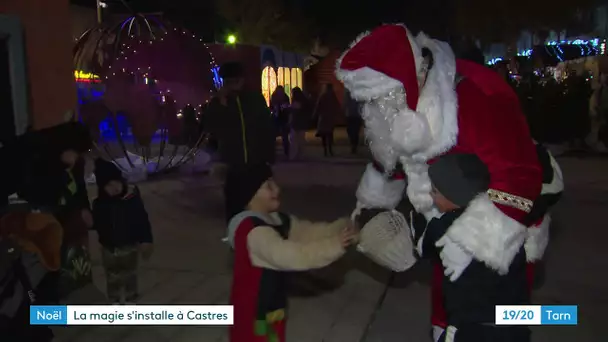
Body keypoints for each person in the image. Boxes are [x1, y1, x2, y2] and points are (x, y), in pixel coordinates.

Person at [336, 24, 562, 340]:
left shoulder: (475, 96)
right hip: (447, 224)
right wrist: (370, 212)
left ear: (401, 84)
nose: (371, 109)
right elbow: (391, 158)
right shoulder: (395, 110)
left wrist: (468, 240)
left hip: (501, 233)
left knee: (499, 317)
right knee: (450, 310)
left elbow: (519, 176)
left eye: (376, 98)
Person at [224, 163, 358, 342]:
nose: (277, 189)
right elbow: (291, 255)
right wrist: (335, 245)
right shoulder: (253, 232)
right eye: (268, 186)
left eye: (274, 183)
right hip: (253, 311)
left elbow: (307, 232)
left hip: (272, 304)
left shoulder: (276, 220)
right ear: (249, 197)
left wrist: (339, 228)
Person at [414, 153, 530, 342]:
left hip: (470, 331)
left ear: (453, 194)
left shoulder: (444, 227)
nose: (431, 197)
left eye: (435, 191)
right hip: (514, 327)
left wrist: (419, 221)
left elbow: (421, 246)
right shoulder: (507, 224)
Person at [204, 61, 276, 222]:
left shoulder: (254, 99)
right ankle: (237, 238)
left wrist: (269, 157)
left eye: (236, 80)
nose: (234, 85)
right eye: (229, 81)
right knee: (235, 209)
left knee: (261, 206)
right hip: (234, 165)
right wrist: (221, 104)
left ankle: (261, 237)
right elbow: (212, 128)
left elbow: (266, 127)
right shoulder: (219, 103)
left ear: (242, 80)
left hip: (257, 163)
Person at [92, 158, 153, 304]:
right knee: (112, 275)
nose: (114, 188)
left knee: (130, 273)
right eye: (109, 185)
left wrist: (146, 240)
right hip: (109, 248)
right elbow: (97, 223)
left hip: (129, 245)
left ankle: (131, 297)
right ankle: (114, 299)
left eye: (117, 183)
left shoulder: (131, 200)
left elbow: (142, 221)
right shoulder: (100, 204)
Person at [314, 83, 340, 157]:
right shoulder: (332, 96)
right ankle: (330, 150)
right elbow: (336, 106)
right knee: (329, 134)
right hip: (330, 118)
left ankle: (325, 151)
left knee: (324, 135)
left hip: (323, 117)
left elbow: (318, 106)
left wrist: (315, 115)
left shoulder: (322, 96)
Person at [289, 87, 311, 160]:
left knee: (294, 140)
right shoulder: (304, 101)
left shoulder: (295, 101)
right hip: (301, 123)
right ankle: (300, 154)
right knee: (300, 139)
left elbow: (293, 113)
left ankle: (294, 155)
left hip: (296, 123)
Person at [271, 86, 291, 157]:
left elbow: (272, 107)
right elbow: (287, 108)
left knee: (275, 136)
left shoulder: (274, 96)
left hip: (278, 118)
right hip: (282, 118)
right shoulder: (285, 97)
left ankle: (274, 152)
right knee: (284, 136)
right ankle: (286, 152)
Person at [344, 89, 362, 154]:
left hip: (350, 115)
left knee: (351, 131)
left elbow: (345, 104)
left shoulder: (348, 94)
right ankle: (354, 145)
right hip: (356, 115)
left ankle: (353, 145)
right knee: (355, 131)